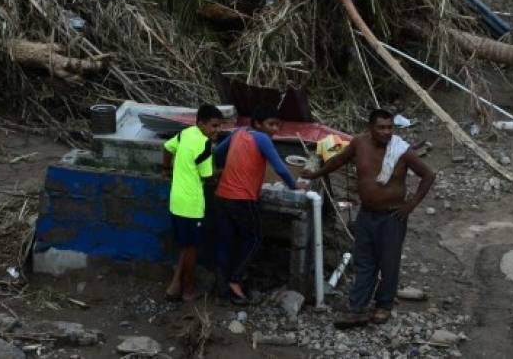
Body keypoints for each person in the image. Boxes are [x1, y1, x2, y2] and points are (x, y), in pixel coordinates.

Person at [302, 108, 435, 327]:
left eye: (390, 127)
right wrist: (316, 174)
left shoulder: (401, 150)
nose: (386, 132)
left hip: (393, 216)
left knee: (389, 263)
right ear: (370, 128)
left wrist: (410, 205)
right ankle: (358, 307)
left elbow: (428, 175)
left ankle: (384, 305)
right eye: (381, 128)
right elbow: (338, 161)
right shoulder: (359, 143)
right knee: (364, 261)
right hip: (366, 214)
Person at [212, 104, 302, 304]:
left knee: (225, 241)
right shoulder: (262, 139)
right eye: (271, 124)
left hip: (221, 195)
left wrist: (226, 169)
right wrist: (295, 187)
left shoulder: (239, 132)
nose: (275, 129)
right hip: (242, 199)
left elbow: (218, 153)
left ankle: (221, 288)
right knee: (254, 239)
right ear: (258, 124)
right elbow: (280, 168)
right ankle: (235, 281)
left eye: (278, 125)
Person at [163, 104, 224, 302]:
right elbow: (208, 176)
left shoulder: (185, 133)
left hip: (176, 201)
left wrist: (166, 170)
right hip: (192, 206)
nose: (217, 131)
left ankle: (174, 286)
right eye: (214, 126)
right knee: (192, 249)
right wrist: (223, 171)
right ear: (201, 124)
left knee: (185, 245)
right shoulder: (205, 145)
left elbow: (167, 148)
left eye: (219, 126)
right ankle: (188, 291)